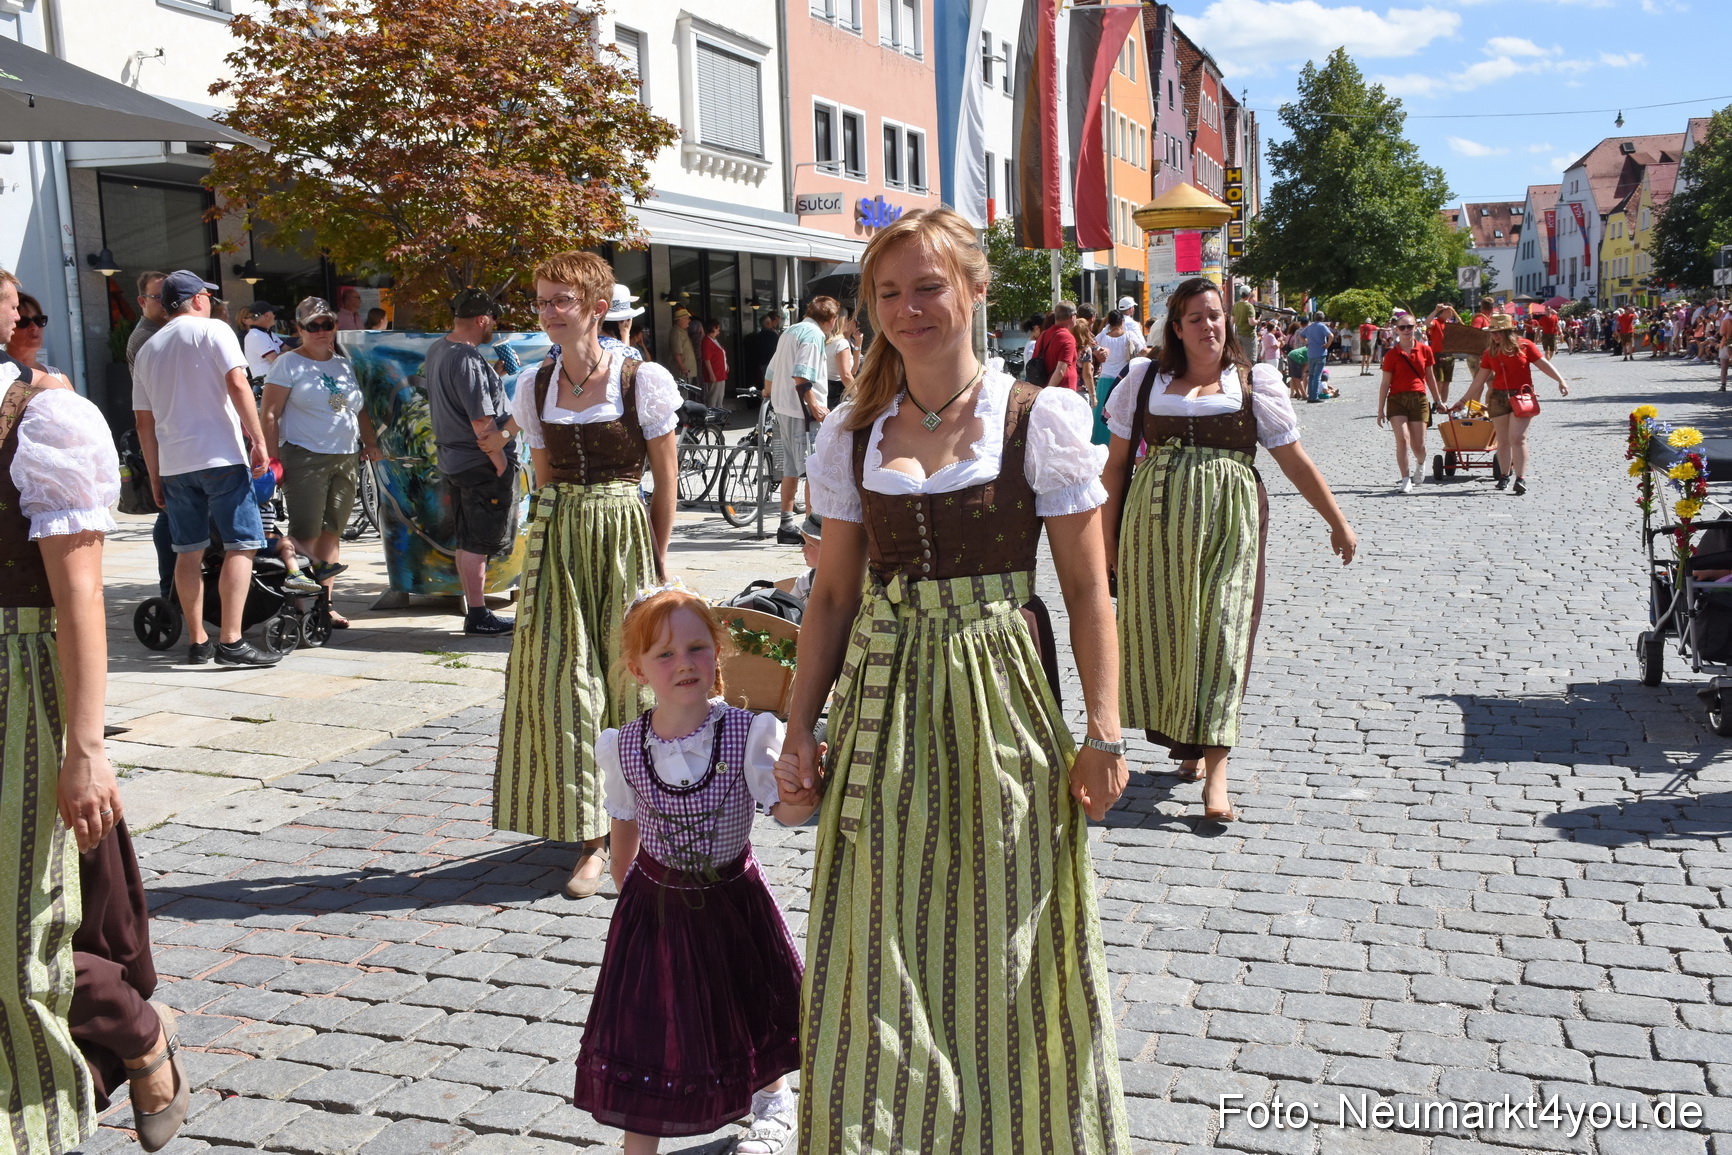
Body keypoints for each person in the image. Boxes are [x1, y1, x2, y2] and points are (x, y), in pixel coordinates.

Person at [777, 207, 1131, 1153]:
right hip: (883, 702)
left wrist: (1103, 731)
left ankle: (1020, 1131)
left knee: (1008, 921)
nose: (906, 308)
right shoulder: (853, 436)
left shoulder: (1040, 417)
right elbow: (832, 596)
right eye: (887, 293)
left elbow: (1091, 591)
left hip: (999, 699)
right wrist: (801, 726)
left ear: (977, 290)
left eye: (927, 286)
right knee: (876, 935)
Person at [0, 266, 194, 1155]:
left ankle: (133, 1033)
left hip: (20, 686)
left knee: (26, 927)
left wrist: (86, 747)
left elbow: (78, 598)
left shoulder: (44, 417)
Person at [1102, 277, 1356, 821]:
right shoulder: (1145, 380)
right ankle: (1188, 744)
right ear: (1176, 327)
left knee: (1223, 631)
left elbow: (1293, 459)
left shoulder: (1252, 381)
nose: (1208, 325)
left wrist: (1336, 520)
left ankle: (1216, 774)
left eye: (1215, 315)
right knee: (1168, 634)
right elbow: (1116, 466)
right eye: (1195, 317)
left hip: (1229, 523)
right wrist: (1104, 546)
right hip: (1152, 530)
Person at [572, 587, 812, 1155]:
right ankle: (641, 1146)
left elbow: (787, 813)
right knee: (653, 1030)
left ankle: (775, 1100)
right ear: (636, 670)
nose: (683, 663)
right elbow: (625, 830)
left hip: (734, 899)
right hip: (655, 911)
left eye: (697, 648)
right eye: (664, 654)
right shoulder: (624, 746)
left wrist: (801, 789)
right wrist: (636, 904)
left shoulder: (748, 734)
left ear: (718, 653)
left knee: (746, 999)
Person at [492, 252, 679, 899]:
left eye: (560, 300)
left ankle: (652, 821)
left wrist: (657, 558)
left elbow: (665, 480)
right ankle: (589, 838)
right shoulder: (535, 383)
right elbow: (543, 479)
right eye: (542, 300)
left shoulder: (640, 379)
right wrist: (541, 555)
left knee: (634, 681)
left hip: (623, 535)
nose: (547, 312)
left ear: (597, 308)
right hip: (562, 538)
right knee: (567, 685)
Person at [132, 271, 281, 668]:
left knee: (187, 551)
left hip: (177, 464)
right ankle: (231, 640)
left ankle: (198, 640)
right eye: (208, 296)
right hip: (220, 457)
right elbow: (237, 383)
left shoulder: (148, 348)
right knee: (242, 544)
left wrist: (154, 474)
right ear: (197, 299)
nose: (211, 303)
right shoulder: (214, 331)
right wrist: (259, 440)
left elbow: (143, 422)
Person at [260, 297, 384, 625]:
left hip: (345, 456)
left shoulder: (342, 363)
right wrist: (272, 461)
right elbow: (269, 414)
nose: (321, 331)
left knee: (333, 531)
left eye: (327, 324)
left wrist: (370, 442)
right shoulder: (287, 364)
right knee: (306, 532)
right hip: (304, 456)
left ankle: (324, 605)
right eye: (312, 326)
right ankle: (302, 605)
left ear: (335, 327)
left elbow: (359, 409)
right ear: (298, 329)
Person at [424, 288, 519, 635]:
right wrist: (499, 460)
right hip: (479, 461)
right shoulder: (465, 358)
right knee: (479, 542)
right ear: (481, 319)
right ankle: (478, 616)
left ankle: (476, 610)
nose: (493, 324)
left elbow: (460, 396)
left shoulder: (440, 349)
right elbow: (482, 421)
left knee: (468, 539)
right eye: (492, 318)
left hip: (456, 460)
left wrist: (492, 374)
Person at [1450, 313, 1570, 495]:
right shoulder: (1490, 352)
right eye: (1492, 332)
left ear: (1508, 331)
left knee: (1517, 438)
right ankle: (1504, 476)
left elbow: (1543, 364)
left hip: (1522, 397)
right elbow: (1479, 380)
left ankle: (1520, 479)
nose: (1495, 336)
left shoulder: (1525, 346)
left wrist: (1560, 380)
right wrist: (1462, 401)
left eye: (1499, 332)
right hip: (1498, 398)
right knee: (1503, 440)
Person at [764, 296, 838, 546]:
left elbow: (771, 372)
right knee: (812, 470)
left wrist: (771, 394)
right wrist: (814, 403)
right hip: (801, 411)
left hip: (784, 407)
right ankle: (812, 529)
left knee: (792, 469)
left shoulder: (790, 331)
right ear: (832, 320)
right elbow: (801, 375)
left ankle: (787, 524)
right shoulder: (813, 335)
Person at [1376, 314, 1444, 493]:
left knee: (1418, 444)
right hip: (1397, 400)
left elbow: (1430, 377)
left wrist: (1438, 401)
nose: (1406, 330)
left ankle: (1421, 463)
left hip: (1419, 399)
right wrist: (1380, 410)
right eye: (1402, 327)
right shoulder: (1392, 354)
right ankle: (1405, 479)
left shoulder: (1425, 350)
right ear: (1396, 330)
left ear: (1416, 328)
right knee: (1403, 439)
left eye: (1410, 327)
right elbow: (1385, 383)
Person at [1093, 308, 1139, 445]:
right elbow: (1142, 350)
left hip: (1104, 379)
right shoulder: (1129, 335)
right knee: (1120, 415)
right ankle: (1119, 444)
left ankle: (1099, 442)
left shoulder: (1102, 337)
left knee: (1101, 413)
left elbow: (1093, 346)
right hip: (1122, 380)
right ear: (1122, 322)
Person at [5, 292, 69, 383]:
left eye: (38, 320)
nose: (34, 327)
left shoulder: (59, 378)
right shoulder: (3, 375)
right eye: (23, 322)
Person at [1032, 299, 1079, 391]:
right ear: (1072, 316)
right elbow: (1060, 371)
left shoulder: (1044, 334)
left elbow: (1034, 361)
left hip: (1043, 387)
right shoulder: (1067, 338)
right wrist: (1048, 392)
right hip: (1063, 391)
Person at [126, 271, 168, 373]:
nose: (166, 302)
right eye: (158, 297)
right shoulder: (146, 338)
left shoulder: (162, 331)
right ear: (142, 301)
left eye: (169, 296)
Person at [239, 301, 283, 384]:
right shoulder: (255, 335)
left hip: (273, 383)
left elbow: (288, 349)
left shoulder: (267, 333)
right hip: (265, 385)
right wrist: (287, 354)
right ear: (267, 315)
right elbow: (276, 361)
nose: (274, 316)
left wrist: (283, 354)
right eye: (273, 313)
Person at [600, 283, 645, 364]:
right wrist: (625, 332)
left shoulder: (584, 344)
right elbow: (627, 370)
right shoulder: (630, 353)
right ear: (625, 321)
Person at [823, 309, 855, 411]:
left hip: (826, 392)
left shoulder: (825, 342)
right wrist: (858, 396)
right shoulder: (841, 343)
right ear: (841, 321)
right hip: (838, 395)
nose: (848, 322)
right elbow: (846, 375)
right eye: (846, 319)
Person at [1427, 304, 1460, 397]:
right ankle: (1437, 402)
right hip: (1438, 355)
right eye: (1450, 311)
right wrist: (1436, 310)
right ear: (1444, 311)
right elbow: (1427, 323)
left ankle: (1444, 403)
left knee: (1446, 382)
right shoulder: (1436, 322)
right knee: (1438, 381)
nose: (1452, 313)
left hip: (1450, 355)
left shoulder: (1449, 324)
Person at [746, 312, 782, 393]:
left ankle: (765, 400)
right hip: (772, 362)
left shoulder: (758, 336)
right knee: (774, 384)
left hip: (762, 363)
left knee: (765, 384)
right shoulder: (772, 335)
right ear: (768, 324)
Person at [1300, 310, 1332, 402]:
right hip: (1320, 353)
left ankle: (1310, 395)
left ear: (1314, 318)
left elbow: (1301, 335)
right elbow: (1331, 335)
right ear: (1323, 318)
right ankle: (1314, 397)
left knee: (1311, 375)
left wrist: (1306, 342)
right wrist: (1327, 345)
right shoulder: (1322, 326)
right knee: (1317, 375)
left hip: (1311, 353)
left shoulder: (1310, 327)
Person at [666, 305, 697, 383]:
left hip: (687, 372)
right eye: (687, 318)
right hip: (682, 372)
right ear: (680, 320)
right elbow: (677, 352)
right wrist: (683, 368)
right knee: (683, 394)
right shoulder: (676, 332)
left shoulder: (682, 331)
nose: (689, 321)